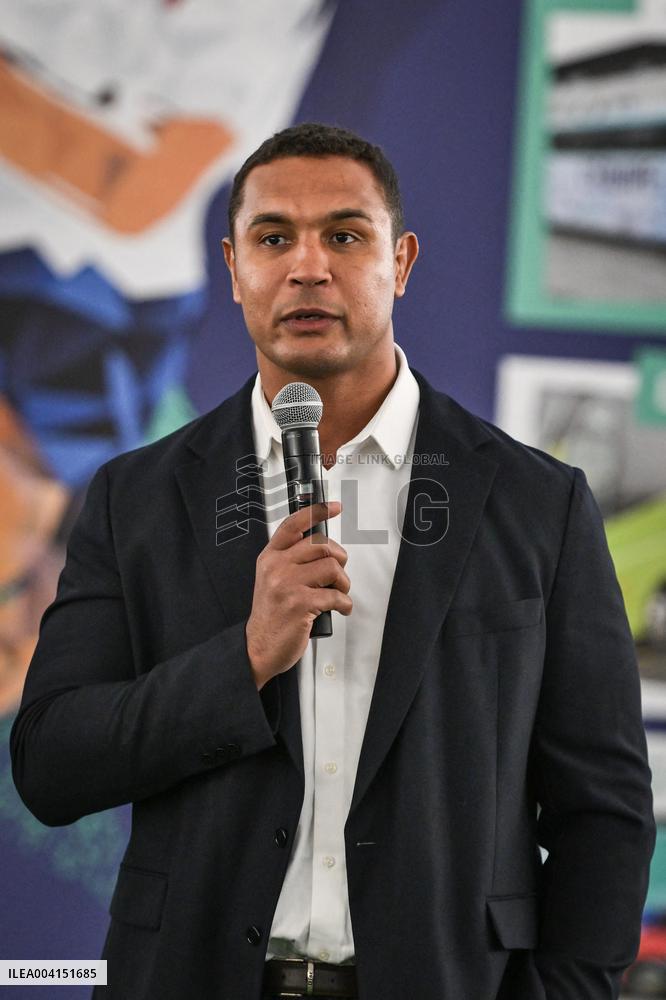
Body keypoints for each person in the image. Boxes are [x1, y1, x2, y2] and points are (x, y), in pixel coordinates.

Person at [10, 122, 655, 1000]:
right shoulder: (137, 498)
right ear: (234, 268)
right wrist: (243, 659)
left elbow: (604, 810)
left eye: (345, 236)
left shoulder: (538, 504)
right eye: (274, 238)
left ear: (402, 262)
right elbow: (51, 764)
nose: (307, 266)